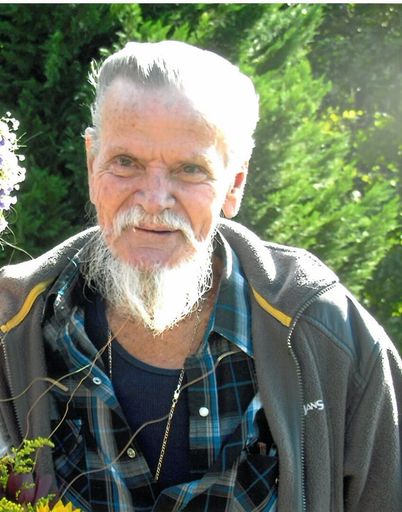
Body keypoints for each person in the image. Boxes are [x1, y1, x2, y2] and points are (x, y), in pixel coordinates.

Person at [0, 41, 401, 512]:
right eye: (125, 163)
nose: (153, 200)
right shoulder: (12, 329)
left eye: (190, 169)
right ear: (93, 165)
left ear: (234, 185)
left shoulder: (324, 331)